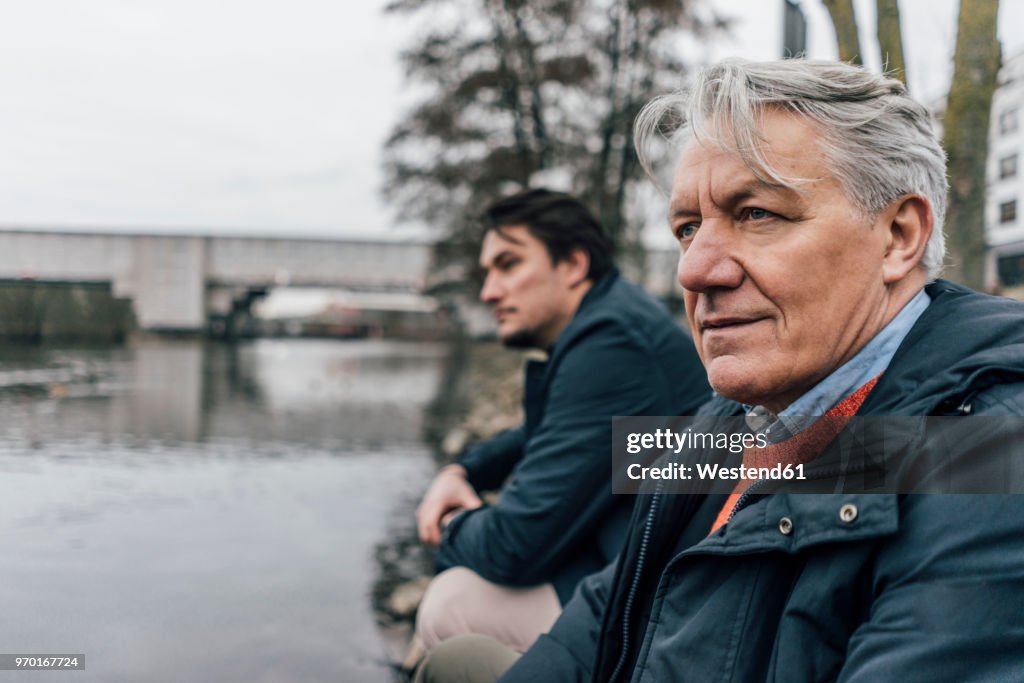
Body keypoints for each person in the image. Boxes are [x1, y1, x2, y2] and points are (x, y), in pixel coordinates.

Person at [415, 59, 1024, 683]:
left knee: (452, 618)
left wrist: (454, 520)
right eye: (686, 228)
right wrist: (470, 467)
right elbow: (602, 614)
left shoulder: (987, 449)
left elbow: (536, 525)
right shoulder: (734, 418)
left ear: (899, 236)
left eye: (756, 214)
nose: (695, 270)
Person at [412, 189, 710, 656]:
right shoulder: (614, 317)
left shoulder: (612, 344)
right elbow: (554, 430)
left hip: (666, 604)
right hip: (635, 551)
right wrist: (465, 471)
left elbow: (515, 546)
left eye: (507, 265)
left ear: (572, 265)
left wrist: (451, 523)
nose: (489, 290)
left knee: (452, 605)